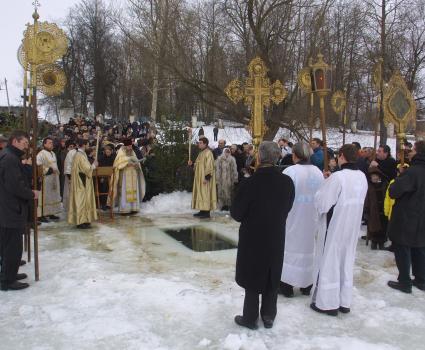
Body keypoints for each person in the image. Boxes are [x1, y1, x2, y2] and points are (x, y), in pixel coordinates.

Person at [231, 141, 294, 330]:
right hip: (276, 234)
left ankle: (250, 318)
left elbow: (236, 213)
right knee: (271, 272)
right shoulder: (287, 182)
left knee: (253, 273)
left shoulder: (251, 183)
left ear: (259, 157)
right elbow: (288, 207)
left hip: (253, 236)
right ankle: (268, 315)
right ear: (277, 158)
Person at [311, 144, 368, 316]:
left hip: (335, 227)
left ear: (341, 156)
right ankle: (344, 301)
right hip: (351, 227)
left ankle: (328, 303)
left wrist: (326, 183)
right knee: (346, 261)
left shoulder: (339, 178)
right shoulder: (362, 177)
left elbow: (323, 203)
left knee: (330, 262)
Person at [280, 142, 324, 298]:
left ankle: (286, 284)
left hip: (294, 216)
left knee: (290, 249)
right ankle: (307, 284)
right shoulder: (318, 172)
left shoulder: (291, 171)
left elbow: (283, 196)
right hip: (311, 217)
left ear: (295, 155)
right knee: (308, 248)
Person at [0, 131, 38, 291]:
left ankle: (9, 273)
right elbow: (14, 185)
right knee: (12, 246)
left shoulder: (9, 156)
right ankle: (7, 280)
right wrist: (31, 194)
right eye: (24, 143)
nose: (26, 147)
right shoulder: (9, 158)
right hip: (10, 208)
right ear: (15, 141)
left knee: (8, 245)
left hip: (8, 207)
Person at [387, 141, 425, 293]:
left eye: (413, 150)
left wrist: (399, 178)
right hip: (421, 215)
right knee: (419, 246)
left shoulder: (413, 171)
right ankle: (421, 279)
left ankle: (404, 281)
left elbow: (394, 191)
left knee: (402, 246)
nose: (409, 152)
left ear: (418, 152)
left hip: (407, 215)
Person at [109, 139, 146, 214]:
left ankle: (133, 208)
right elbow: (117, 163)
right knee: (125, 191)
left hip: (133, 174)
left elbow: (136, 161)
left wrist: (136, 164)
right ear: (125, 146)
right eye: (129, 146)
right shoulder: (121, 152)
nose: (130, 147)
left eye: (131, 146)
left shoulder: (132, 151)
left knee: (134, 191)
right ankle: (125, 209)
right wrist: (127, 162)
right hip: (125, 175)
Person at [68, 139, 98, 229]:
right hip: (81, 181)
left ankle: (85, 219)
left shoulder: (80, 154)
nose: (88, 146)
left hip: (81, 180)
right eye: (88, 145)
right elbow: (86, 168)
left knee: (84, 201)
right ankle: (80, 221)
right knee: (81, 200)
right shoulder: (80, 155)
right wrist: (94, 165)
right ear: (84, 145)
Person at [188, 137, 216, 219]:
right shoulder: (201, 153)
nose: (198, 144)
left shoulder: (208, 153)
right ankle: (202, 210)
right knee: (201, 193)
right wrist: (192, 164)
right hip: (199, 178)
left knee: (205, 194)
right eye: (199, 143)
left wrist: (207, 177)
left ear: (205, 144)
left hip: (205, 178)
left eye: (200, 143)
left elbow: (210, 166)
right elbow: (198, 165)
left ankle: (206, 212)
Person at [36, 137, 62, 222]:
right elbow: (38, 166)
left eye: (52, 143)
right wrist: (49, 170)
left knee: (52, 196)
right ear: (44, 144)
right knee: (45, 196)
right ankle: (41, 215)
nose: (52, 144)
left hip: (54, 178)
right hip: (45, 179)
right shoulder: (41, 154)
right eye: (50, 143)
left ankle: (51, 212)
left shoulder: (53, 153)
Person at [364, 167, 388, 250]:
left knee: (383, 227)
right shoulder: (369, 187)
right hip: (373, 211)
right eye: (372, 176)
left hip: (383, 210)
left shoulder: (384, 185)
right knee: (374, 227)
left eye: (375, 176)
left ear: (379, 176)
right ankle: (374, 242)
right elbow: (367, 200)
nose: (374, 177)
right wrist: (366, 211)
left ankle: (381, 243)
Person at [62, 140, 77, 217]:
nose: (72, 147)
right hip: (70, 176)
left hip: (77, 177)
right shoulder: (70, 153)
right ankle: (69, 207)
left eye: (73, 146)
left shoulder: (78, 153)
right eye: (70, 146)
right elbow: (68, 165)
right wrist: (69, 176)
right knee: (69, 193)